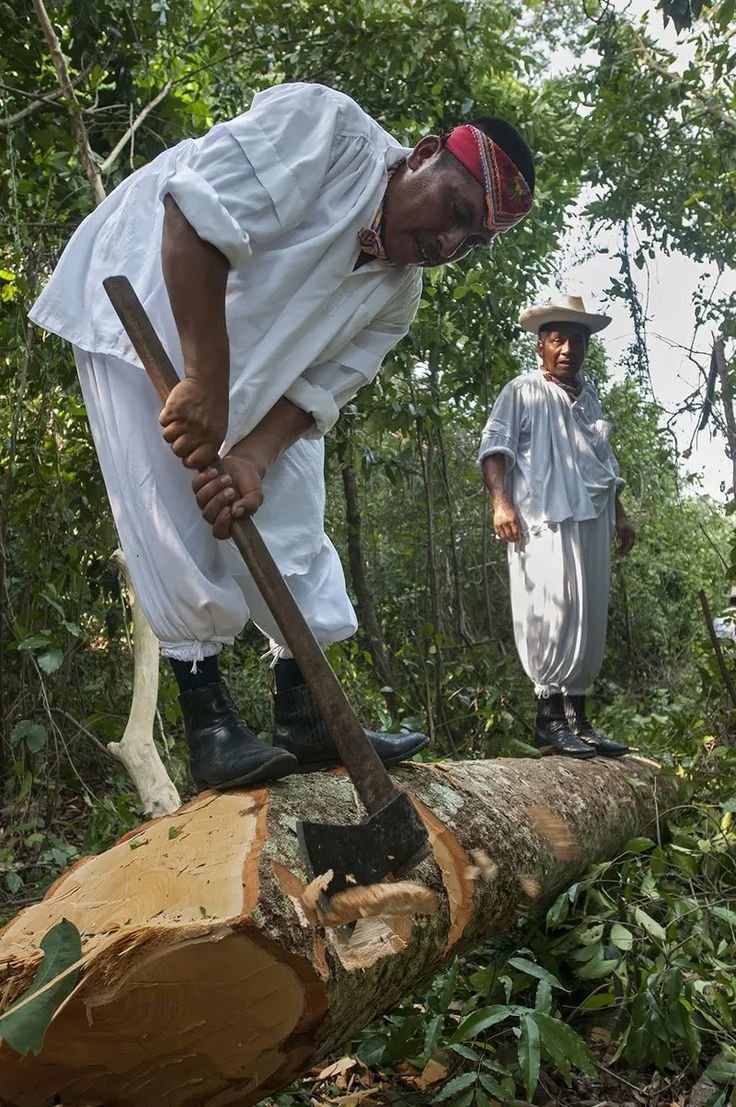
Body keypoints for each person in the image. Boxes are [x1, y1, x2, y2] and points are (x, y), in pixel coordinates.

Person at [30, 81, 534, 791]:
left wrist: (252, 458)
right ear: (423, 155)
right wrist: (202, 380)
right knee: (166, 499)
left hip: (257, 364)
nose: (449, 243)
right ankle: (207, 719)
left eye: (471, 240)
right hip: (147, 289)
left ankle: (305, 710)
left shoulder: (399, 294)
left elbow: (317, 391)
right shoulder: (326, 131)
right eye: (456, 212)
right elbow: (192, 216)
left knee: (292, 504)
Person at [478, 293, 634, 759]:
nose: (568, 349)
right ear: (541, 345)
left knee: (588, 614)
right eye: (558, 339)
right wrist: (501, 503)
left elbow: (604, 461)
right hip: (541, 517)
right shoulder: (522, 391)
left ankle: (579, 719)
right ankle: (549, 721)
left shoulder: (589, 398)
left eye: (577, 340)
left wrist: (621, 515)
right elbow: (495, 449)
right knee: (551, 608)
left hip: (591, 516)